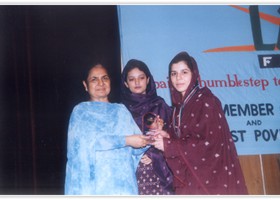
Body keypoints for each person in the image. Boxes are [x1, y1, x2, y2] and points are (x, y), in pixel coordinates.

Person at [152, 51, 248, 195]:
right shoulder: (178, 107)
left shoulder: (206, 101)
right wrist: (166, 135)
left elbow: (208, 143)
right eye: (173, 73)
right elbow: (183, 137)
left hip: (209, 180)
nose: (178, 78)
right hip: (189, 178)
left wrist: (168, 145)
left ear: (194, 74)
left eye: (184, 72)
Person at [64, 63, 150, 195]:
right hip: (94, 188)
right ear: (85, 85)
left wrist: (151, 137)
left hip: (124, 187)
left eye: (105, 78)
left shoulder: (121, 110)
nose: (100, 83)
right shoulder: (81, 111)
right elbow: (88, 143)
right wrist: (126, 140)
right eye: (94, 79)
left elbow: (136, 147)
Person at [121, 59, 174, 195]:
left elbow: (173, 136)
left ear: (148, 79)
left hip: (158, 168)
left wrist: (154, 154)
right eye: (132, 79)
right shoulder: (121, 110)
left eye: (141, 78)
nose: (137, 82)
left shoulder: (159, 105)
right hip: (130, 168)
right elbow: (119, 139)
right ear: (126, 83)